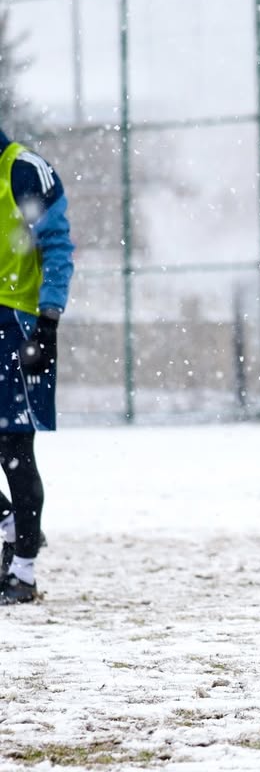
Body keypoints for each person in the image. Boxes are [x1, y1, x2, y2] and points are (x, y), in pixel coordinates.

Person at [0, 129, 75, 605]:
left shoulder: (23, 169)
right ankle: (10, 522)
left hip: (16, 325)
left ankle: (23, 573)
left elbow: (57, 245)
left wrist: (48, 319)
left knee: (14, 448)